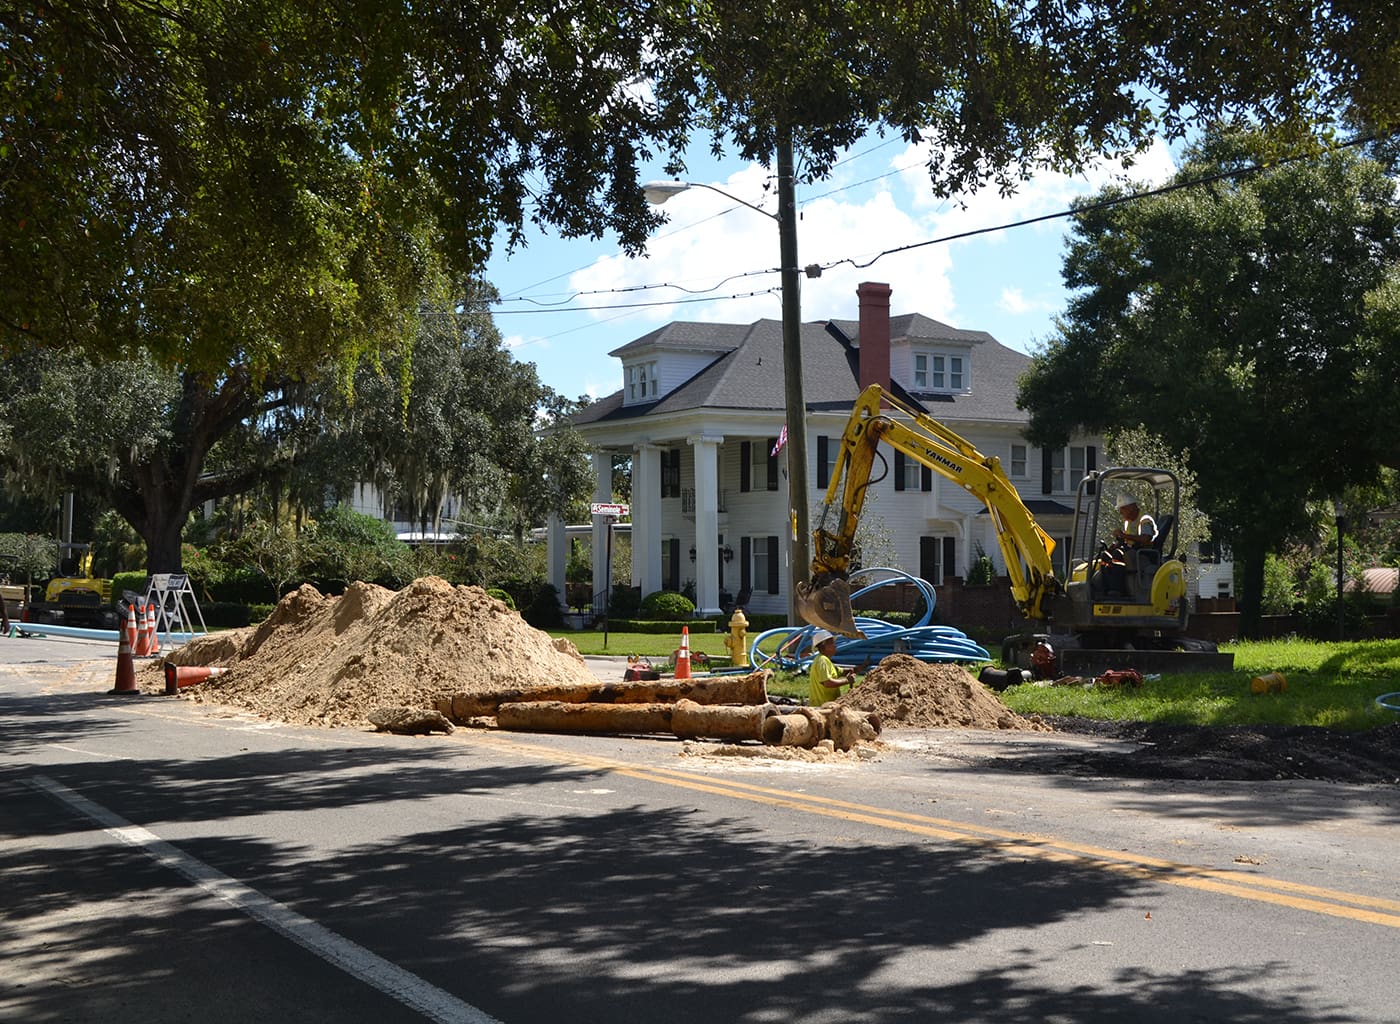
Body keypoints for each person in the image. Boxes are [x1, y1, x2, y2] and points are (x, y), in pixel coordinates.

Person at [808, 629, 856, 706]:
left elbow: (839, 671)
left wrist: (856, 668)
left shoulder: (825, 660)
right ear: (824, 646)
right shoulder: (822, 660)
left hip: (827, 704)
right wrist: (847, 680)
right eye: (832, 643)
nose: (835, 645)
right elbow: (828, 683)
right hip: (822, 706)